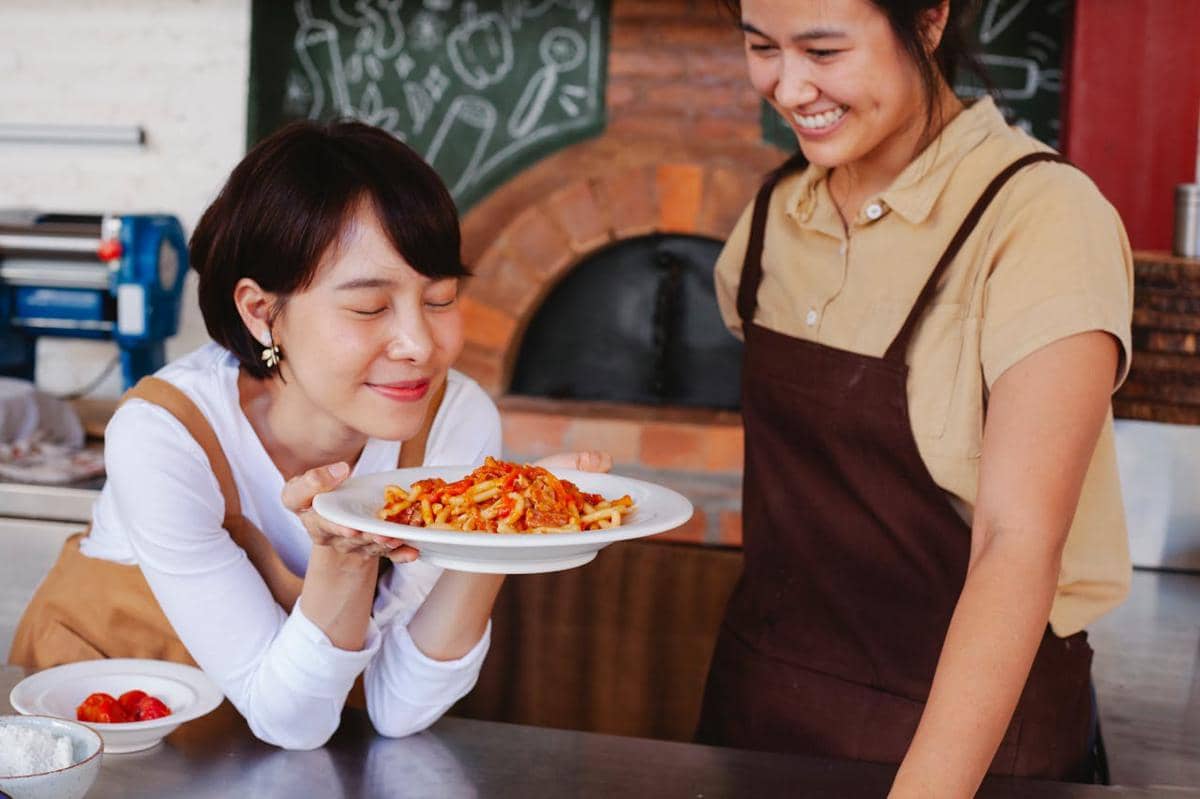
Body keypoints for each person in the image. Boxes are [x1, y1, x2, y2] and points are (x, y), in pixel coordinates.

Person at [10, 120, 604, 750]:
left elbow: (400, 707)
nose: (421, 346)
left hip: (272, 759)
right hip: (110, 742)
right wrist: (342, 561)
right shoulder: (165, 436)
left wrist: (498, 534)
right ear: (261, 312)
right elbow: (289, 720)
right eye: (369, 308)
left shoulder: (453, 418)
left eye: (441, 299)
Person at [696, 1, 1133, 795]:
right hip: (759, 710)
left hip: (965, 746)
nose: (789, 87)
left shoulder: (1041, 219)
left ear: (929, 20)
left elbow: (1016, 542)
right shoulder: (774, 213)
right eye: (761, 47)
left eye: (823, 50)